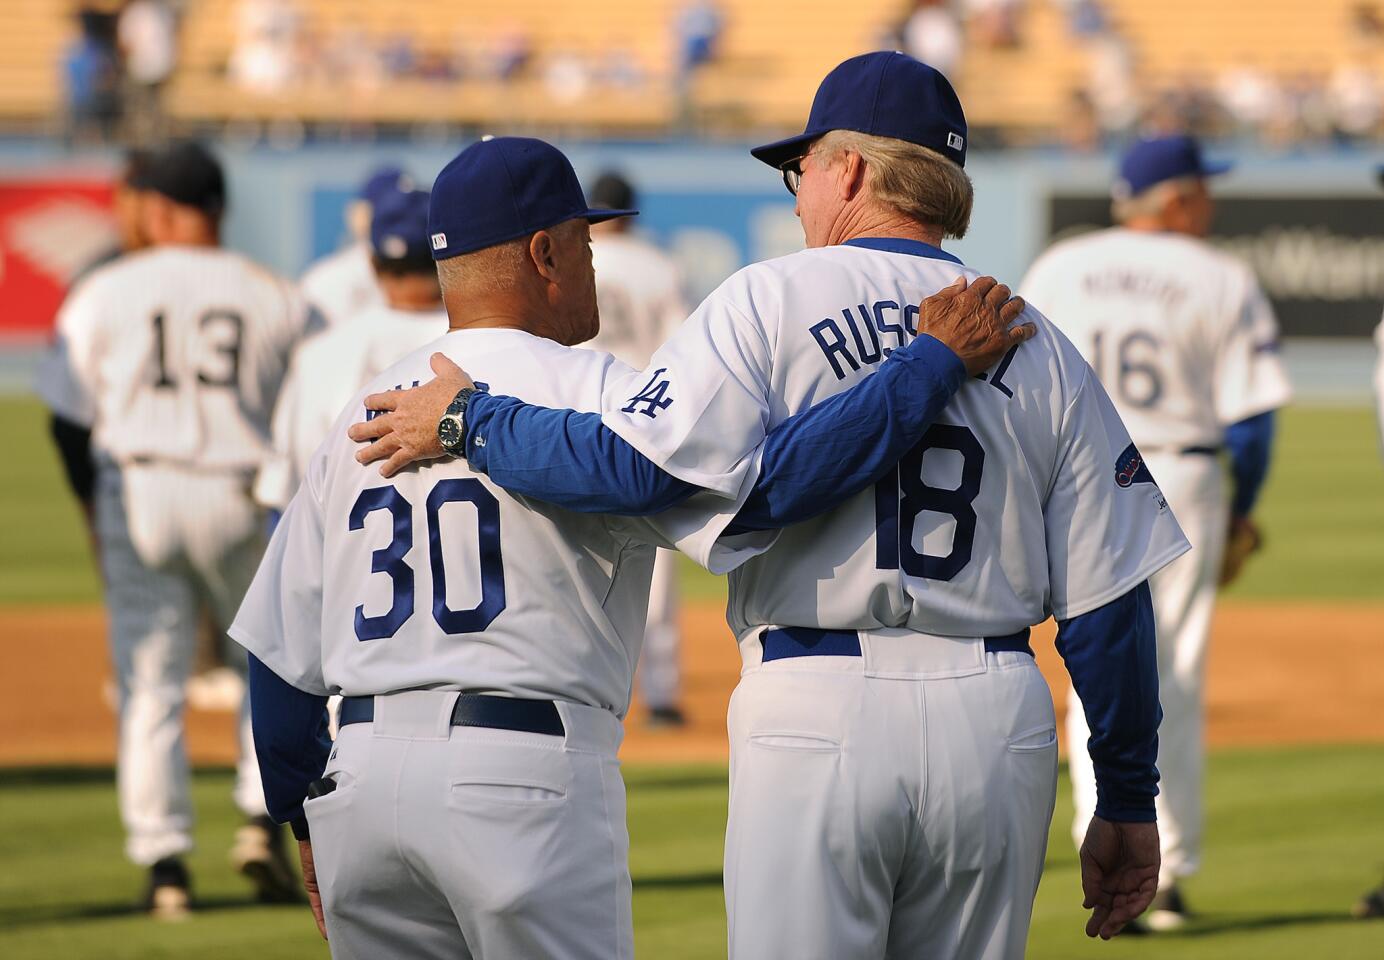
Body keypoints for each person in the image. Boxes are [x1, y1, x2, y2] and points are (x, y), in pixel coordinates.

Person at [349, 53, 1190, 957]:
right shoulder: (1036, 337)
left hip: (815, 705)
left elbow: (638, 473)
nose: (796, 194)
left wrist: (471, 421)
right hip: (996, 720)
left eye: (802, 167)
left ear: (853, 170)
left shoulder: (768, 299)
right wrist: (1130, 796)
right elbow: (1109, 605)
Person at [230, 134, 1029, 957]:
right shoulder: (598, 390)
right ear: (544, 253)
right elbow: (761, 490)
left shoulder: (363, 414)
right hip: (522, 776)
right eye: (583, 243)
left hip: (358, 787)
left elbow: (278, 654)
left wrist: (302, 818)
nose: (595, 264)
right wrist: (924, 367)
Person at [1020, 134, 1293, 930]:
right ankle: (1162, 873)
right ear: (1174, 199)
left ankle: (1092, 848)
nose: (1210, 201)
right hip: (1181, 470)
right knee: (1173, 667)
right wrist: (1243, 506)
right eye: (1202, 189)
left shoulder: (1060, 265)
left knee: (1084, 655)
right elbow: (1253, 422)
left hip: (1073, 470)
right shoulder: (1220, 274)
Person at [37, 141, 314, 918]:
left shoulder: (103, 291)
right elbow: (311, 411)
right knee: (266, 659)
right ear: (218, 207)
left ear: (158, 209)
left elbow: (66, 422)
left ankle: (165, 869)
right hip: (240, 487)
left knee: (151, 685)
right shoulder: (278, 295)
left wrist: (95, 513)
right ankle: (262, 818)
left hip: (141, 490)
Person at [255, 188, 448, 518]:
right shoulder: (486, 343)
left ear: (373, 264)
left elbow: (284, 498)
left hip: (353, 557)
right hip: (469, 559)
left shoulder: (320, 353)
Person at [583, 171, 691, 726]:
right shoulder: (659, 266)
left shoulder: (574, 257)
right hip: (643, 418)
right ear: (632, 211)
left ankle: (588, 688)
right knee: (657, 568)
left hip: (576, 415)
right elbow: (681, 350)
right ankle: (662, 694)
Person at [299, 165, 411, 328]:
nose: (400, 222)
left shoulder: (437, 278)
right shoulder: (327, 280)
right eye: (389, 212)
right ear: (360, 214)